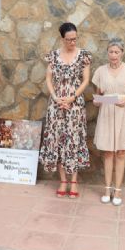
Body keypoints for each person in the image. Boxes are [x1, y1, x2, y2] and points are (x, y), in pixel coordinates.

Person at [39, 22, 92, 198]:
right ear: (62, 39)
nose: (72, 42)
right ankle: (63, 180)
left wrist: (72, 97)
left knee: (73, 139)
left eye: (75, 39)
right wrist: (55, 97)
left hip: (74, 104)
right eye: (69, 39)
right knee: (58, 140)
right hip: (56, 103)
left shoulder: (83, 55)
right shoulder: (54, 56)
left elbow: (85, 80)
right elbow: (48, 78)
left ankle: (74, 181)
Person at [92, 38, 125, 206]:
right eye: (111, 52)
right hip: (106, 112)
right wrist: (97, 101)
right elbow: (97, 95)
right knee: (107, 152)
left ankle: (118, 190)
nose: (113, 55)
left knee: (120, 152)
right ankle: (107, 188)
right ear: (107, 53)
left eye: (117, 52)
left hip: (123, 111)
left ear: (122, 53)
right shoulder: (100, 71)